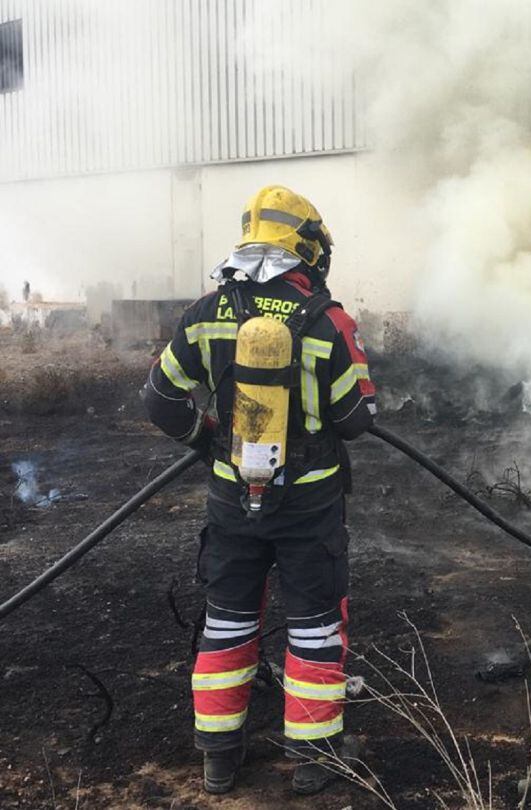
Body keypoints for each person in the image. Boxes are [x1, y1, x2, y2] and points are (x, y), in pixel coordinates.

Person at [143, 186, 376, 795]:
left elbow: (161, 398)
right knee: (315, 626)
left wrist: (207, 440)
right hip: (309, 506)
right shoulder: (328, 321)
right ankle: (315, 757)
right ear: (307, 247)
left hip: (231, 503)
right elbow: (355, 419)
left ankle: (219, 758)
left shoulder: (206, 312)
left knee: (228, 621)